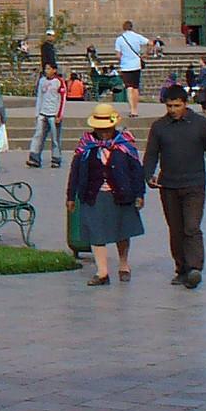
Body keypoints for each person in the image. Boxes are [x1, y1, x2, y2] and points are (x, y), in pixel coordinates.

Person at [142, 84, 206, 289]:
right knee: (175, 230)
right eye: (169, 106)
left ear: (185, 104)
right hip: (168, 185)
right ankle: (182, 269)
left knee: (191, 227)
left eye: (177, 106)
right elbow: (151, 154)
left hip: (194, 184)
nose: (173, 110)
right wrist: (148, 174)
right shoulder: (159, 127)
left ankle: (195, 268)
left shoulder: (200, 125)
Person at [67, 103, 146, 284]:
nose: (104, 133)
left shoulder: (124, 144)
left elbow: (136, 170)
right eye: (100, 129)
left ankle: (123, 264)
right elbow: (75, 171)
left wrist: (139, 194)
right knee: (96, 233)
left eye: (107, 129)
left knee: (122, 231)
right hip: (93, 195)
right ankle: (102, 272)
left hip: (121, 194)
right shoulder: (86, 145)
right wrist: (71, 196)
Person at [27, 61, 65, 169]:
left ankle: (56, 158)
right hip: (43, 113)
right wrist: (37, 113)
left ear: (54, 70)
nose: (46, 71)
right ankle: (34, 157)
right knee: (38, 135)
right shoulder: (42, 81)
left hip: (54, 114)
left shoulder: (59, 82)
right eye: (45, 69)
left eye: (49, 69)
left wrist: (59, 114)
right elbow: (39, 97)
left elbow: (62, 99)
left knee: (55, 138)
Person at [113, 20, 156, 118]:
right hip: (136, 64)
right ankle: (135, 110)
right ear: (132, 27)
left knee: (129, 88)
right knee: (135, 87)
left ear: (123, 28)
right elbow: (151, 43)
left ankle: (132, 109)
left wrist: (121, 60)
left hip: (126, 65)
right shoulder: (137, 36)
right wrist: (146, 54)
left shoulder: (120, 39)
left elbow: (118, 55)